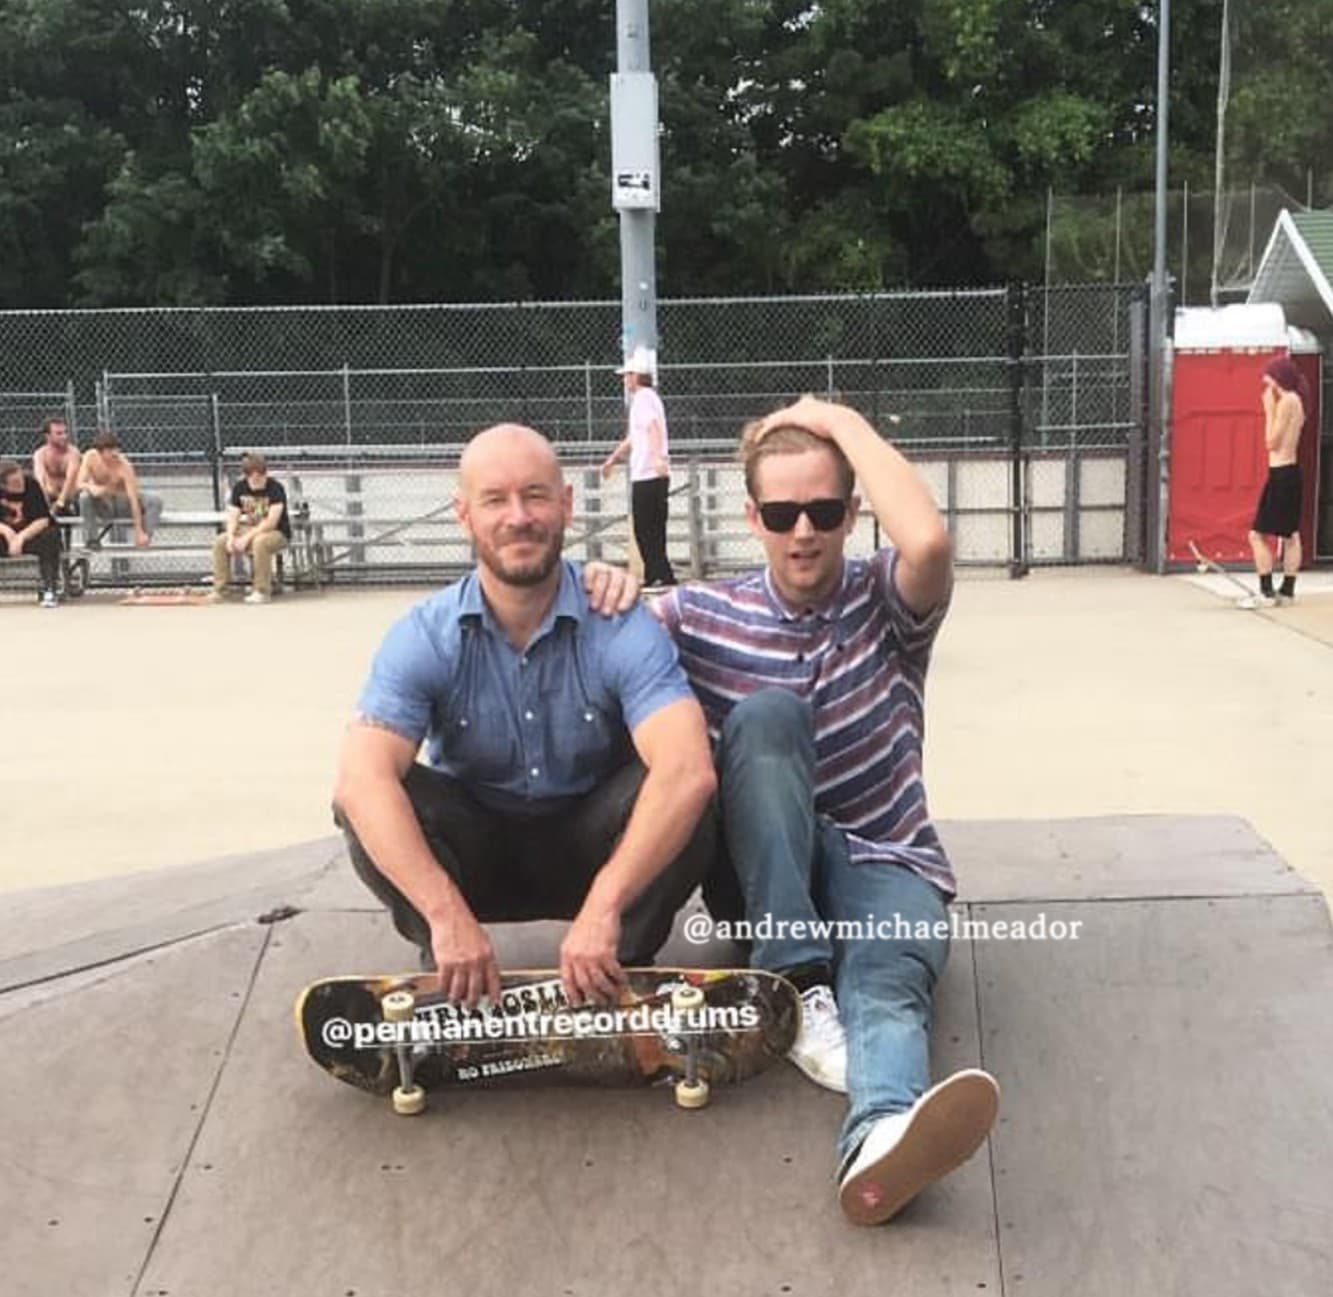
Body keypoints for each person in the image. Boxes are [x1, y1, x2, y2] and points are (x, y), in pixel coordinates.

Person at [651, 396, 998, 1226]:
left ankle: (878, 1138)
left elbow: (928, 541)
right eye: (779, 512)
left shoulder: (888, 601)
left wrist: (835, 419)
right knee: (768, 715)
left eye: (822, 509)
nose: (801, 531)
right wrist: (599, 582)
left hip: (888, 860)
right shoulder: (702, 614)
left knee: (884, 985)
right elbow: (592, 644)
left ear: (850, 513)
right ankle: (799, 979)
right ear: (752, 518)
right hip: (768, 874)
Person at [332, 423, 718, 1006]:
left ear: (565, 505)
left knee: (685, 784)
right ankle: (450, 959)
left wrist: (606, 905)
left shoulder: (617, 623)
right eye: (495, 499)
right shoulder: (424, 635)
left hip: (596, 848)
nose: (518, 516)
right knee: (371, 792)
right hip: (476, 853)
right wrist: (444, 912)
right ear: (464, 514)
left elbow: (688, 768)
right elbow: (359, 780)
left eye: (536, 495)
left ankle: (620, 961)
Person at [601, 345, 676, 589]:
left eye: (627, 375)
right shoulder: (651, 399)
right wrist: (614, 458)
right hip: (652, 473)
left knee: (646, 526)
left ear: (636, 376)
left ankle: (656, 573)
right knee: (654, 525)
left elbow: (652, 428)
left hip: (647, 474)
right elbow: (634, 437)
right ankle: (660, 572)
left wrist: (656, 458)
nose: (625, 379)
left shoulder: (642, 400)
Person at [1242, 357, 1308, 609]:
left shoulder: (1287, 401)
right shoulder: (1297, 401)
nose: (1264, 383)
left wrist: (1269, 409)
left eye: (1268, 377)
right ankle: (1288, 591)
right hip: (1290, 472)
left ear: (1278, 378)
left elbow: (1272, 442)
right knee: (1290, 534)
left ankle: (1267, 591)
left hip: (1281, 474)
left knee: (1256, 535)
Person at [210, 453, 291, 605]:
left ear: (265, 473)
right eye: (251, 476)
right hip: (249, 528)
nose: (255, 481)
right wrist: (231, 536)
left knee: (260, 542)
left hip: (276, 532)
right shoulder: (240, 487)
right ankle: (220, 590)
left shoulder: (276, 488)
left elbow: (271, 522)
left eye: (259, 476)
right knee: (220, 542)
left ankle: (261, 590)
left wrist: (246, 538)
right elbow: (233, 515)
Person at [77, 430, 163, 548]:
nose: (115, 454)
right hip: (104, 505)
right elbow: (79, 483)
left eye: (116, 450)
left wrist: (138, 530)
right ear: (100, 453)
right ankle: (92, 540)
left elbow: (134, 499)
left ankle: (144, 537)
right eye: (110, 451)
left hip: (122, 503)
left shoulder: (124, 466)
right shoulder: (90, 457)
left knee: (155, 500)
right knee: (84, 497)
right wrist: (92, 488)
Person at [0, 460, 61, 607]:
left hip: (32, 534)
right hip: (5, 536)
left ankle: (49, 589)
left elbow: (43, 519)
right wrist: (6, 531)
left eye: (20, 478)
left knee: (50, 535)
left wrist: (21, 538)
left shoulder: (31, 484)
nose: (20, 484)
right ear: (3, 485)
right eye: (14, 483)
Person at [32, 416, 82, 516]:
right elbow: (40, 478)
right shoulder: (40, 454)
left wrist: (60, 502)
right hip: (50, 493)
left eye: (65, 432)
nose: (64, 436)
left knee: (76, 487)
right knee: (41, 488)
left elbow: (71, 478)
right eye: (59, 433)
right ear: (48, 436)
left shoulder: (73, 453)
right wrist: (44, 501)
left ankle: (68, 508)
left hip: (70, 494)